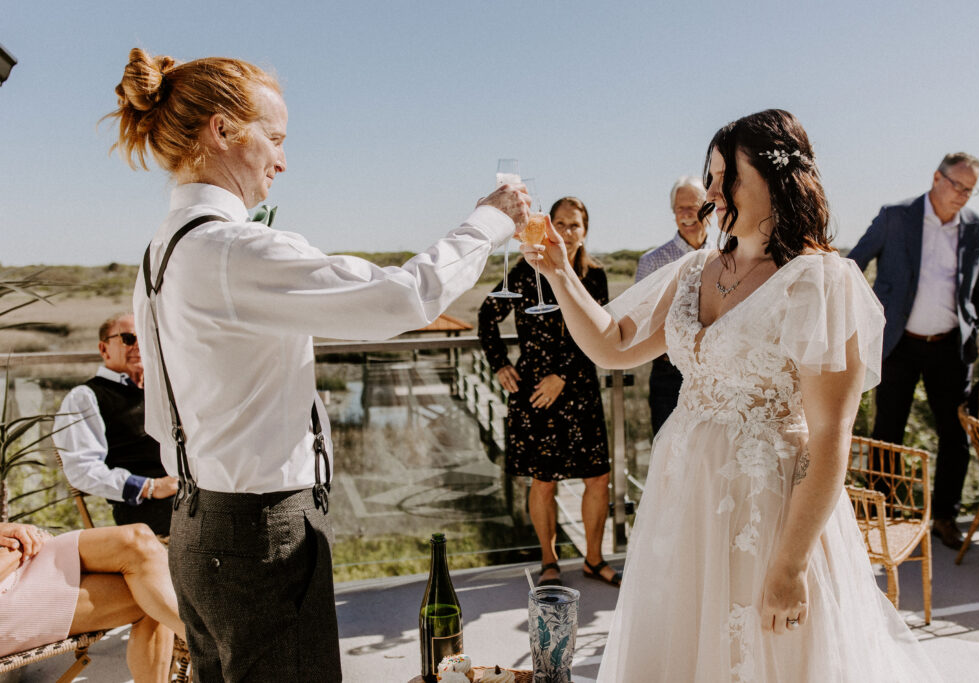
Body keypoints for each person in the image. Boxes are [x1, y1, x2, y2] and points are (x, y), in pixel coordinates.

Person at [106, 48, 529, 681]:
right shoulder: (231, 250)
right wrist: (489, 221)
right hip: (262, 537)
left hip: (196, 528)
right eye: (273, 137)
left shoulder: (158, 255)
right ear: (221, 130)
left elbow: (167, 418)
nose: (282, 158)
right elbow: (400, 297)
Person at [522, 109, 939, 681]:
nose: (710, 195)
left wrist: (790, 566)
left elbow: (829, 437)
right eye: (709, 178)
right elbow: (613, 345)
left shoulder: (820, 281)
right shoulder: (695, 269)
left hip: (767, 512)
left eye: (725, 178)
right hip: (684, 496)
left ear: (777, 179)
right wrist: (560, 273)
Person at [848, 152, 979, 549]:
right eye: (958, 185)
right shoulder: (896, 217)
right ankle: (884, 518)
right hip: (898, 344)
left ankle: (945, 516)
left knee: (954, 434)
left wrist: (975, 328)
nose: (963, 195)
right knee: (887, 433)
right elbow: (853, 265)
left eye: (970, 189)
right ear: (937, 178)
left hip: (949, 346)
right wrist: (865, 318)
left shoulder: (978, 226)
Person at [478, 196, 619, 588]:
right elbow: (487, 315)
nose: (568, 231)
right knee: (543, 481)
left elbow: (600, 331)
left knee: (598, 478)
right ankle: (549, 560)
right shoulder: (525, 271)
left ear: (585, 230)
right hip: (536, 390)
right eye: (561, 223)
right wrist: (500, 364)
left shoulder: (596, 275)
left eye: (575, 224)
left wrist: (564, 375)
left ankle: (593, 559)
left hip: (579, 386)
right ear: (549, 228)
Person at [0, 522, 185, 683]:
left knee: (138, 541)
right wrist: (17, 547)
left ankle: (208, 646)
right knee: (148, 595)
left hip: (13, 560)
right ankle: (210, 647)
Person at [53, 314, 177, 535]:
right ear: (104, 349)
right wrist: (151, 487)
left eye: (145, 338)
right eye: (128, 338)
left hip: (189, 498)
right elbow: (82, 469)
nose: (138, 345)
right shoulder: (85, 397)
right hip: (147, 510)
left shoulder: (165, 392)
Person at [635, 176, 710, 436]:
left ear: (709, 208)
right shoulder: (652, 262)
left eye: (694, 206)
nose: (687, 214)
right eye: (680, 208)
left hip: (719, 374)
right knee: (669, 458)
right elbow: (641, 320)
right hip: (670, 374)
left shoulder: (729, 255)